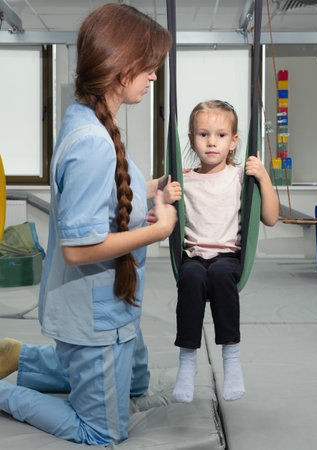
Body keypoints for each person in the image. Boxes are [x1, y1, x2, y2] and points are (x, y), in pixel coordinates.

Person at [0, 3, 181, 446]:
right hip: (93, 314)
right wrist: (158, 232)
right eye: (150, 68)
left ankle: (19, 357)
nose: (153, 77)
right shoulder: (93, 144)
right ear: (123, 71)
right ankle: (6, 391)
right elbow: (78, 250)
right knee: (102, 432)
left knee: (137, 385)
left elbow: (114, 192)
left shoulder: (91, 117)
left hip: (119, 303)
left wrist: (160, 185)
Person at [164, 100, 279, 403]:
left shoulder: (240, 177)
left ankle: (231, 359)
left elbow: (270, 217)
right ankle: (187, 363)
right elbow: (162, 211)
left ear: (233, 142)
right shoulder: (184, 178)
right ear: (191, 140)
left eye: (221, 135)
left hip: (228, 256)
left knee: (221, 276)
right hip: (192, 257)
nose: (211, 142)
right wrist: (165, 196)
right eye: (203, 134)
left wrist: (263, 177)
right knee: (190, 280)